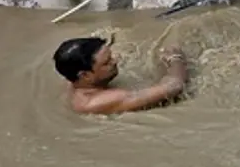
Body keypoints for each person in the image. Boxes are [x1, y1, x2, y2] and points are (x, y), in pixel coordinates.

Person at [52, 35, 188, 115]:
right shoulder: (101, 101)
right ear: (85, 75)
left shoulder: (74, 77)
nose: (116, 60)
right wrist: (175, 58)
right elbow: (175, 86)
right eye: (107, 62)